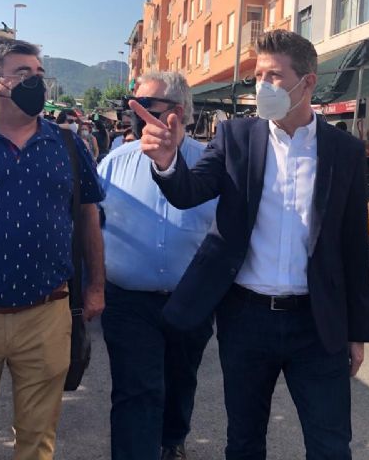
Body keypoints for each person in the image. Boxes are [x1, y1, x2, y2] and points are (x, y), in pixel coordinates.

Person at [133, 29, 369, 459]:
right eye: (259, 75)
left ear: (308, 82)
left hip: (317, 324)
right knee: (243, 441)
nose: (264, 86)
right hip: (247, 319)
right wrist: (167, 163)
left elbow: (354, 244)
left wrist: (358, 332)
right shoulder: (237, 138)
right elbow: (190, 191)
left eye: (275, 76)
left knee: (331, 443)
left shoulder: (345, 151)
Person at [0, 36, 105, 460]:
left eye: (40, 75)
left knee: (37, 438)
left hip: (47, 312)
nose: (37, 83)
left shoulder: (66, 144)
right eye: (24, 74)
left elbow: (88, 216)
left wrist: (96, 286)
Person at [98, 71, 216, 460]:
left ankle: (172, 441)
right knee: (137, 390)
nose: (134, 113)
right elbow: (89, 226)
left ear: (177, 113)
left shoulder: (211, 166)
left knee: (181, 381)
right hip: (128, 302)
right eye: (132, 105)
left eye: (145, 107)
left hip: (190, 301)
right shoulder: (114, 163)